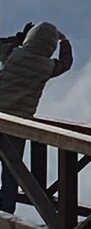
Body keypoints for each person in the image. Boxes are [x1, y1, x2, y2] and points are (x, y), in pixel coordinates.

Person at [0, 21, 74, 213]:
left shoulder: (13, 54)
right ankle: (6, 213)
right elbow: (66, 64)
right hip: (19, 124)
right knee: (12, 170)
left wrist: (18, 39)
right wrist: (65, 41)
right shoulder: (47, 66)